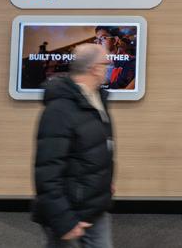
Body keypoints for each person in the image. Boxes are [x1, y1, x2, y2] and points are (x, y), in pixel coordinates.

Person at [33, 44, 114, 247]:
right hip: (67, 212)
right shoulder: (59, 110)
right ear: (94, 68)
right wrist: (63, 219)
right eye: (106, 63)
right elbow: (47, 170)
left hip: (94, 204)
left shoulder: (96, 100)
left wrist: (105, 181)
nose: (110, 66)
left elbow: (98, 147)